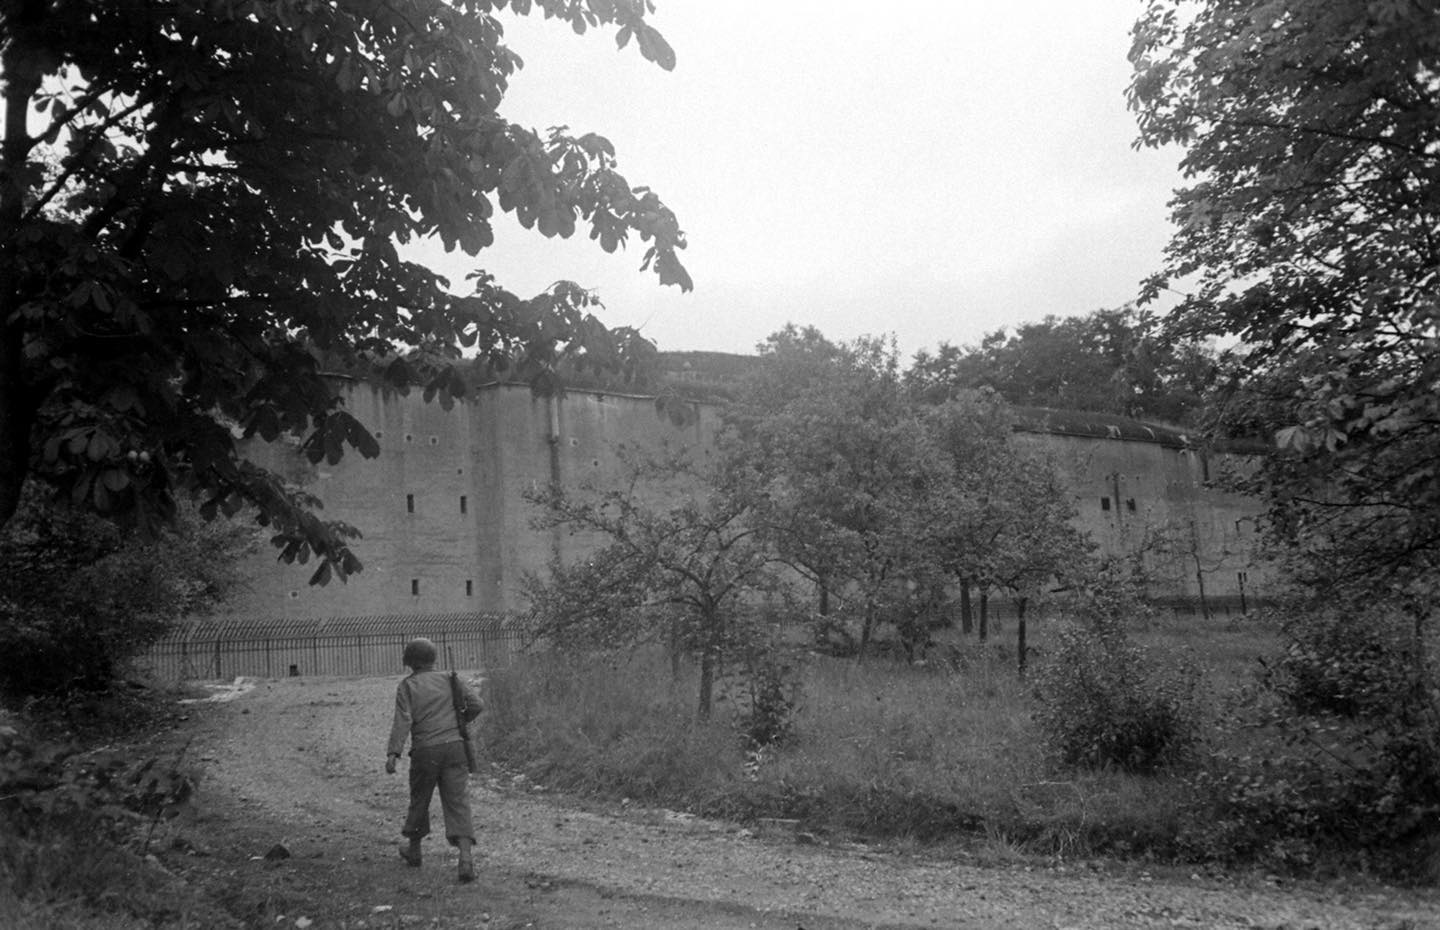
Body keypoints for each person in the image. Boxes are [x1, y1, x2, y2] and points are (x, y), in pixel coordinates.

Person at [385, 637, 483, 883]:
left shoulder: (407, 687)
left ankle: (415, 851)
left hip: (425, 751)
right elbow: (477, 704)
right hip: (455, 748)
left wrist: (393, 753)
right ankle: (466, 859)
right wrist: (460, 720)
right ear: (432, 658)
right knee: (458, 802)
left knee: (420, 799)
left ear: (410, 662)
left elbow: (404, 720)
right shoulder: (449, 680)